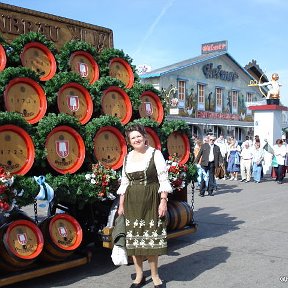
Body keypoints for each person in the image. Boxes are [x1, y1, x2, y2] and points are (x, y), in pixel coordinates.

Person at [117, 124, 173, 288]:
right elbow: (125, 182)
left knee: (151, 241)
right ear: (129, 141)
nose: (136, 139)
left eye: (138, 136)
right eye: (132, 138)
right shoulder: (127, 157)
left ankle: (155, 276)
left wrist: (163, 200)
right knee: (134, 242)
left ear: (144, 137)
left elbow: (163, 179)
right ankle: (139, 275)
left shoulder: (155, 154)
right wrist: (121, 205)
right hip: (132, 202)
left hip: (151, 200)